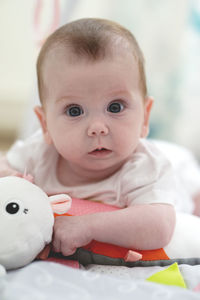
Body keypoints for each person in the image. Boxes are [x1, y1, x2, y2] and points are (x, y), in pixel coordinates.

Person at [1, 18, 199, 257]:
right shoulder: (39, 153)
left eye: (115, 107)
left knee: (191, 195)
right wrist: (10, 178)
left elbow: (159, 226)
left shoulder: (145, 166)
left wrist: (88, 226)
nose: (97, 128)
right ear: (45, 124)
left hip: (178, 175)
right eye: (74, 111)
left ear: (145, 117)